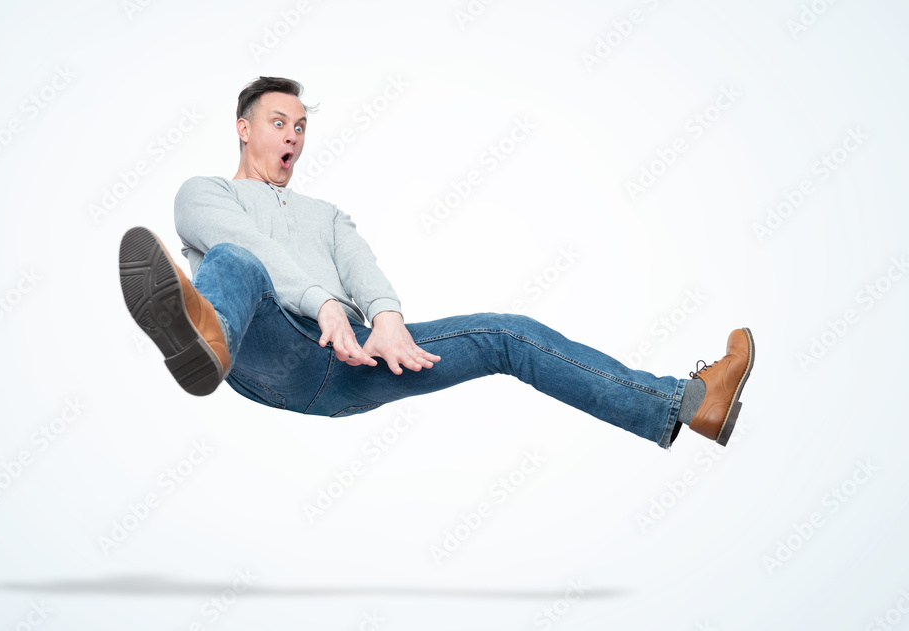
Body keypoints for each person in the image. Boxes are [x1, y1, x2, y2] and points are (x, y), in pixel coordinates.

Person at [118, 76, 754, 449]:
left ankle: (688, 403)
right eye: (278, 122)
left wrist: (388, 316)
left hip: (353, 364)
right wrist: (325, 303)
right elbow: (256, 252)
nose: (292, 136)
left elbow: (361, 264)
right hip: (263, 351)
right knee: (233, 260)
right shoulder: (204, 194)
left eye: (302, 126)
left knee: (508, 334)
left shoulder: (327, 215)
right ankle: (205, 339)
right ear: (242, 128)